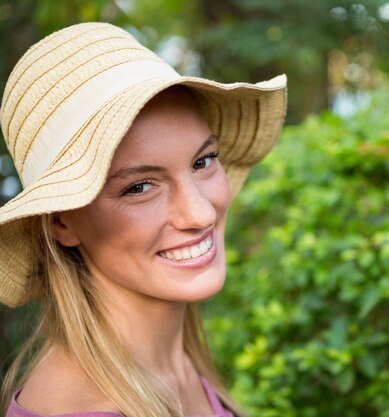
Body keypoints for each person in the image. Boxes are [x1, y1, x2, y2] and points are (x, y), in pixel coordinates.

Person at [0, 22, 286, 417]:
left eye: (202, 161)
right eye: (139, 187)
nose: (201, 213)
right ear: (61, 224)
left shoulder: (174, 365)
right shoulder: (76, 407)